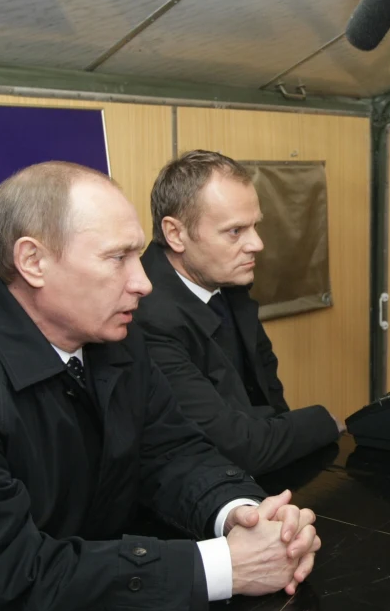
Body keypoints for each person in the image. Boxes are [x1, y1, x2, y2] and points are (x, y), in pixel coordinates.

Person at [0, 162, 320, 611]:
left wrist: (243, 515)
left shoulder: (111, 333)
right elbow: (8, 577)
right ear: (32, 261)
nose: (143, 282)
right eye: (117, 258)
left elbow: (171, 451)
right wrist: (224, 567)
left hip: (89, 603)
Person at [133, 150, 343, 475]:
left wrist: (278, 436)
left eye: (255, 226)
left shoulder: (227, 281)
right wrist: (324, 421)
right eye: (235, 231)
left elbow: (268, 395)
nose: (257, 244)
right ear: (176, 234)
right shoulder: (144, 313)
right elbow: (236, 445)